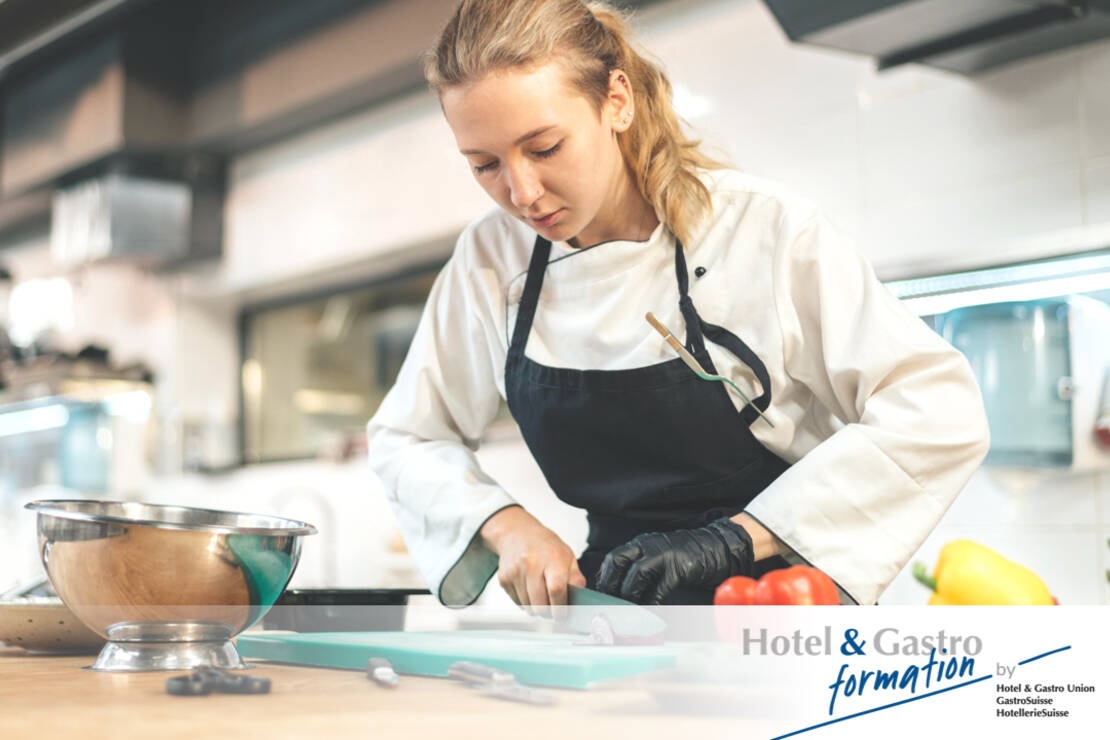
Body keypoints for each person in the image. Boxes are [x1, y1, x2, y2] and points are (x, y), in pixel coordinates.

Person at [366, 0, 990, 608]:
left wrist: (732, 541)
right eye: (484, 165)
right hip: (614, 617)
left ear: (616, 100)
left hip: (781, 603)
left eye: (546, 148)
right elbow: (407, 436)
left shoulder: (762, 231)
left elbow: (937, 409)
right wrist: (507, 525)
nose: (522, 192)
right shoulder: (491, 259)